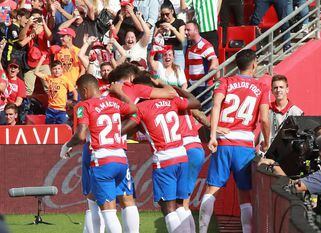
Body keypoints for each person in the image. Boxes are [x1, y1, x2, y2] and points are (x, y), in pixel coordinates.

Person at [199, 49, 270, 233]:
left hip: (223, 141)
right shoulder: (262, 86)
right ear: (254, 64)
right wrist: (267, 141)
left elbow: (215, 107)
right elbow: (264, 119)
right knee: (245, 193)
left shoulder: (225, 81)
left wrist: (213, 135)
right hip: (244, 145)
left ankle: (202, 230)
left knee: (211, 189)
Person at [122, 73, 201, 233]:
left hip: (164, 161)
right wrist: (177, 88)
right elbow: (196, 102)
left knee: (168, 210)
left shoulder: (141, 108)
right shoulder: (171, 100)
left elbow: (123, 129)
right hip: (182, 156)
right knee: (181, 206)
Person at [59, 74, 138, 233]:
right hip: (121, 157)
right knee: (127, 200)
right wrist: (121, 93)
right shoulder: (115, 102)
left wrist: (66, 145)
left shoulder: (84, 106)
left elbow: (81, 135)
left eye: (80, 92)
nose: (80, 96)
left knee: (106, 208)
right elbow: (134, 110)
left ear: (85, 90)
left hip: (102, 159)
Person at [185, 20, 219, 111]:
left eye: (188, 30)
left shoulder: (205, 45)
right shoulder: (190, 45)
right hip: (193, 85)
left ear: (196, 30)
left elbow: (214, 59)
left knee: (205, 113)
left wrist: (213, 67)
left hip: (204, 86)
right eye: (185, 30)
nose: (185, 32)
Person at [34, 56, 78, 124]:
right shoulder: (49, 78)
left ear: (62, 69)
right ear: (51, 70)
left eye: (59, 68)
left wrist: (74, 104)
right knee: (50, 128)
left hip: (62, 110)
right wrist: (41, 60)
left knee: (63, 128)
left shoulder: (65, 79)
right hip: (50, 109)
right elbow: (36, 73)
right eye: (54, 69)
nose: (57, 71)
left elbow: (75, 92)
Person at [20, 9, 52, 95]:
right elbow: (21, 39)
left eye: (38, 18)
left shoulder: (44, 28)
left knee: (49, 88)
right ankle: (26, 107)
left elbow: (50, 37)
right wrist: (28, 25)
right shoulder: (28, 28)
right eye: (34, 18)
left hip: (44, 62)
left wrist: (44, 23)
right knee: (28, 91)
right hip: (31, 63)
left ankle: (52, 106)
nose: (36, 20)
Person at [154, 1, 186, 70]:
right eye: (162, 15)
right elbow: (154, 41)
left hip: (177, 52)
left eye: (167, 14)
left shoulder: (179, 22)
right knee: (162, 76)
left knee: (179, 75)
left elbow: (182, 39)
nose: (165, 17)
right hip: (163, 53)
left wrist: (172, 29)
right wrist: (159, 31)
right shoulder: (159, 24)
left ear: (172, 11)